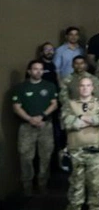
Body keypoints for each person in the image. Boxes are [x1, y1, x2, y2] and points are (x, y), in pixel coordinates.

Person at [62, 76, 99, 210]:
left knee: (95, 186)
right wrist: (84, 119)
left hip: (95, 151)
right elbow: (65, 121)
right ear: (78, 88)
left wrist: (80, 119)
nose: (85, 88)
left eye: (88, 85)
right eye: (82, 85)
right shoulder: (69, 104)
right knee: (76, 187)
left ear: (92, 88)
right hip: (75, 151)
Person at [13, 60, 58, 195]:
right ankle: (27, 187)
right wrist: (30, 119)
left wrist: (42, 116)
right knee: (25, 157)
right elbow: (16, 107)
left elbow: (54, 104)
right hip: (26, 127)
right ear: (29, 71)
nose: (38, 71)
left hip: (45, 125)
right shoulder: (21, 87)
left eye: (40, 69)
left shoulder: (49, 86)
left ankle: (42, 184)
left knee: (46, 156)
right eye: (35, 69)